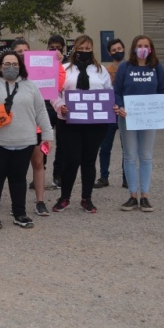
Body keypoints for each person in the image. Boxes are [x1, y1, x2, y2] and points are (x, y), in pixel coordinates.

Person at [0, 50, 53, 229]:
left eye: (15, 64)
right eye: (7, 64)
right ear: (0, 66)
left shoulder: (30, 86)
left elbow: (41, 111)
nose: (11, 67)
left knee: (18, 179)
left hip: (24, 141)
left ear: (21, 66)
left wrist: (47, 135)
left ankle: (20, 214)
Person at [113, 35, 164, 212]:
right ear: (134, 48)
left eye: (146, 46)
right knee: (130, 156)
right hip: (127, 117)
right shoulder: (125, 67)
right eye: (139, 45)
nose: (142, 48)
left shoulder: (156, 67)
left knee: (146, 156)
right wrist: (120, 106)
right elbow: (116, 91)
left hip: (149, 117)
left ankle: (145, 196)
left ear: (151, 49)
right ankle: (133, 195)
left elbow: (163, 90)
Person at [52, 35, 113, 214]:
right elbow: (54, 93)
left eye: (88, 49)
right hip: (69, 122)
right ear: (74, 49)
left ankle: (86, 199)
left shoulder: (101, 71)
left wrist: (112, 106)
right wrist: (60, 106)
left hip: (95, 124)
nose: (84, 52)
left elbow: (109, 92)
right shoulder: (64, 69)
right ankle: (64, 197)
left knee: (88, 161)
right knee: (71, 160)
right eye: (81, 48)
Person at [12, 39, 51, 216]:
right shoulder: (7, 75)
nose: (22, 54)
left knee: (38, 163)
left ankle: (40, 201)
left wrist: (56, 59)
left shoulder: (38, 72)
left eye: (25, 51)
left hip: (35, 128)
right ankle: (16, 204)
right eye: (18, 51)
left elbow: (54, 85)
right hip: (14, 128)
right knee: (16, 168)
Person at [95, 37, 127, 189]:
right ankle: (103, 177)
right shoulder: (105, 71)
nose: (117, 52)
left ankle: (127, 177)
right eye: (114, 50)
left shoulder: (130, 68)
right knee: (105, 147)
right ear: (109, 53)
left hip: (125, 113)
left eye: (119, 49)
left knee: (126, 147)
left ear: (124, 49)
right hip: (109, 114)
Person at [45, 34, 68, 189]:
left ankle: (58, 175)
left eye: (58, 47)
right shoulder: (43, 62)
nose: (55, 50)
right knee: (44, 142)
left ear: (63, 48)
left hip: (61, 108)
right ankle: (40, 172)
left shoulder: (69, 64)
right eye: (52, 47)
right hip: (45, 107)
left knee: (62, 144)